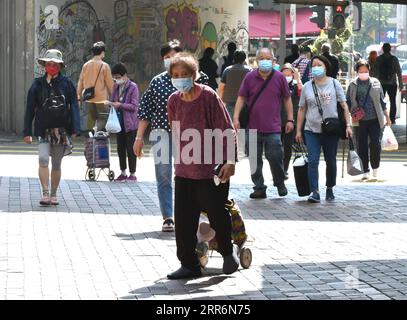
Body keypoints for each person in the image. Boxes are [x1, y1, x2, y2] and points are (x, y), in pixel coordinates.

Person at [166, 52, 239, 280]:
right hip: (185, 170)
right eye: (176, 75)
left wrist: (229, 160)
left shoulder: (208, 96)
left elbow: (226, 128)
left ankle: (228, 252)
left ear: (194, 75)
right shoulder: (174, 101)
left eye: (184, 74)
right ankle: (189, 264)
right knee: (184, 221)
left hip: (210, 170)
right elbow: (176, 133)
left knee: (217, 214)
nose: (180, 78)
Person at [134, 41, 208, 233]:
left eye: (173, 56)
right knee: (164, 175)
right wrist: (139, 137)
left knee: (191, 175)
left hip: (189, 136)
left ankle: (194, 214)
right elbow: (145, 111)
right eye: (166, 57)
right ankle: (168, 217)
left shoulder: (199, 79)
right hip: (162, 134)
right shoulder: (157, 82)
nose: (170, 61)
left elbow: (208, 106)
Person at [233, 48, 294, 199]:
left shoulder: (279, 77)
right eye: (261, 57)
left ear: (273, 61)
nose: (264, 60)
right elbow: (241, 97)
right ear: (257, 60)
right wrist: (235, 118)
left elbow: (287, 99)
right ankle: (259, 187)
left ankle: (280, 183)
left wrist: (290, 119)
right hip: (252, 127)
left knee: (275, 157)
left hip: (273, 127)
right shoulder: (249, 77)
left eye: (268, 58)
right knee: (254, 160)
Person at [24, 49, 81, 206]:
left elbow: (74, 105)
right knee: (43, 159)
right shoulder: (37, 84)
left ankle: (54, 194)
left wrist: (76, 128)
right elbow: (30, 107)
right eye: (49, 64)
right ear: (44, 65)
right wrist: (27, 132)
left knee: (56, 164)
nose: (52, 66)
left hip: (61, 131)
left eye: (55, 64)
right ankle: (45, 193)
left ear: (60, 66)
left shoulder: (67, 83)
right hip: (43, 129)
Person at [295, 55, 352, 203]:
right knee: (313, 161)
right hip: (311, 130)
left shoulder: (334, 84)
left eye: (319, 65)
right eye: (313, 66)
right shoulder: (307, 86)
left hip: (330, 131)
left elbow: (344, 106)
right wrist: (298, 130)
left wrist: (348, 125)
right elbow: (301, 109)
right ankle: (314, 191)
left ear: (326, 67)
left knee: (330, 161)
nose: (316, 68)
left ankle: (330, 187)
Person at [346, 60, 391, 181]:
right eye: (361, 71)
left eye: (366, 71)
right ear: (357, 72)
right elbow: (347, 102)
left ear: (369, 70)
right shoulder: (352, 84)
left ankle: (375, 167)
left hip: (375, 119)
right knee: (361, 146)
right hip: (359, 120)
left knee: (375, 144)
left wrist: (387, 117)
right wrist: (348, 117)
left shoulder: (376, 82)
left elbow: (382, 101)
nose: (364, 73)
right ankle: (365, 170)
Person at [108, 63, 139, 182]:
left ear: (125, 75)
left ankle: (133, 173)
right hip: (118, 122)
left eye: (118, 76)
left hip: (130, 123)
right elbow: (113, 100)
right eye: (114, 77)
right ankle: (123, 172)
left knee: (131, 149)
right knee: (120, 148)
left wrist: (120, 105)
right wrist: (111, 103)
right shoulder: (115, 86)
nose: (116, 79)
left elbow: (134, 106)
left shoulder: (133, 87)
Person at [77, 41, 114, 131]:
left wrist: (78, 95)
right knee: (103, 118)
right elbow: (110, 84)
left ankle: (94, 138)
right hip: (101, 98)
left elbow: (80, 81)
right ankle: (94, 133)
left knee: (95, 118)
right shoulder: (104, 66)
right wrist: (114, 97)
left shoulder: (86, 65)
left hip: (89, 97)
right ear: (102, 52)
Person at [280, 63, 302, 179]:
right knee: (277, 147)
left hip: (290, 120)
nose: (287, 77)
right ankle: (278, 169)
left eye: (289, 74)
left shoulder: (295, 86)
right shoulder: (276, 85)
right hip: (277, 120)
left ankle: (284, 169)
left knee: (288, 147)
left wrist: (298, 79)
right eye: (284, 75)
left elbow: (302, 93)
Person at [375, 43, 403, 124]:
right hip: (392, 83)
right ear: (390, 49)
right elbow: (398, 72)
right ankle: (392, 119)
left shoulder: (379, 59)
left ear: (383, 49)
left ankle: (379, 117)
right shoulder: (394, 59)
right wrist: (400, 84)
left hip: (381, 83)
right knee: (393, 101)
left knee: (380, 101)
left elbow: (375, 72)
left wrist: (374, 83)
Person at [219, 50, 251, 118]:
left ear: (234, 58)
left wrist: (221, 101)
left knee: (231, 126)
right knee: (243, 126)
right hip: (244, 103)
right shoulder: (249, 71)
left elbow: (221, 88)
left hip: (229, 103)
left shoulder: (227, 70)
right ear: (244, 59)